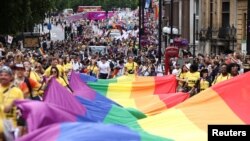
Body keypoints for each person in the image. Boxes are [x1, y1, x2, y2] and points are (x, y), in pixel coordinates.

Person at [0, 66, 24, 138]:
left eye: (6, 75)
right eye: (1, 75)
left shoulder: (17, 91)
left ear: (11, 77)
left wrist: (20, 127)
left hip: (10, 126)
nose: (3, 77)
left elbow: (22, 109)